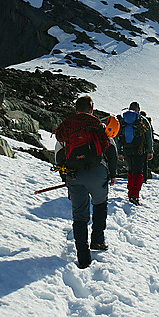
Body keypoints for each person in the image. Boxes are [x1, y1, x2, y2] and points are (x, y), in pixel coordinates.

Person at [55, 95, 118, 269]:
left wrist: (65, 178)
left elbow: (59, 154)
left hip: (74, 174)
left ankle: (83, 257)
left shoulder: (67, 126)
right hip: (97, 172)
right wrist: (112, 174)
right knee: (100, 204)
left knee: (79, 216)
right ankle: (97, 240)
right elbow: (111, 149)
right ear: (91, 110)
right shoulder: (98, 125)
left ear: (76, 110)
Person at [117, 101, 153, 204]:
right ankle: (134, 195)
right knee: (138, 171)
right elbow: (148, 136)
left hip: (127, 149)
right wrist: (150, 151)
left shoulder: (123, 120)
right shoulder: (142, 120)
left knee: (130, 170)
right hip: (139, 150)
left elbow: (118, 136)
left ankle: (130, 192)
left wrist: (119, 152)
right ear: (138, 109)